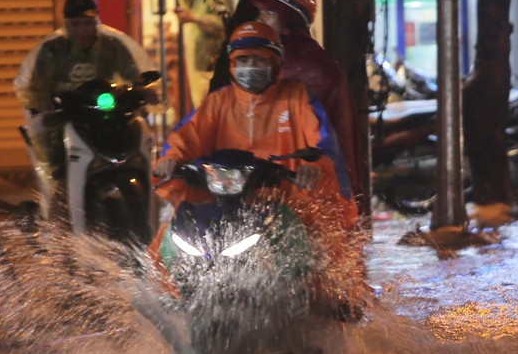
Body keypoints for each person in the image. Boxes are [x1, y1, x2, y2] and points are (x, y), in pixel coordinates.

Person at [152, 21, 365, 317]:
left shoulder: (298, 98)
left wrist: (311, 167)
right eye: (243, 60)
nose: (250, 67)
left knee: (321, 246)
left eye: (259, 60)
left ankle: (319, 306)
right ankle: (172, 306)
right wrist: (171, 160)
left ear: (275, 62)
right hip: (219, 199)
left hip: (283, 197)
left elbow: (322, 143)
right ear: (232, 64)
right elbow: (184, 138)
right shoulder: (217, 103)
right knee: (166, 238)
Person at [14, 0, 149, 209]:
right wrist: (41, 101)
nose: (82, 30)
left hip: (105, 114)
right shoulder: (52, 50)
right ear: (67, 25)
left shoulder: (112, 46)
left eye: (87, 23)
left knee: (139, 130)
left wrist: (144, 89)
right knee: (47, 144)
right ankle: (57, 200)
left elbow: (134, 73)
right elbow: (36, 85)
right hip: (68, 115)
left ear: (96, 21)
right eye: (76, 24)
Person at [251, 0, 368, 215]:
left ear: (288, 19)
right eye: (260, 14)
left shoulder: (314, 69)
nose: (259, 20)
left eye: (269, 13)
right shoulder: (261, 63)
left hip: (312, 188)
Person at [175, 0, 236, 109]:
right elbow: (196, 6)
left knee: (210, 109)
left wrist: (194, 18)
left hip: (212, 60)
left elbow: (225, 22)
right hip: (202, 58)